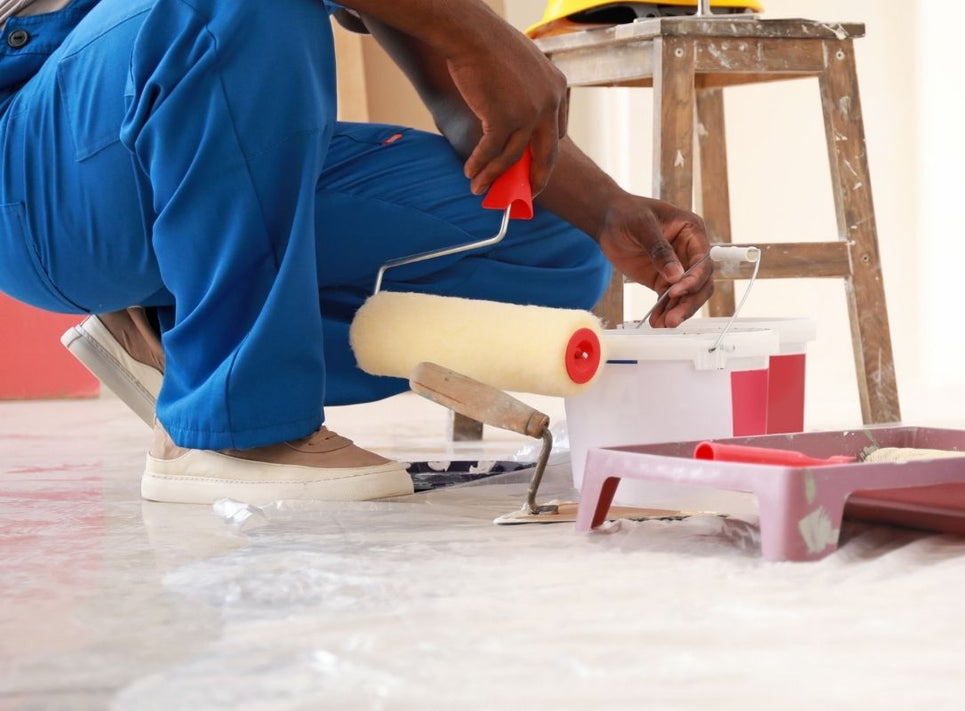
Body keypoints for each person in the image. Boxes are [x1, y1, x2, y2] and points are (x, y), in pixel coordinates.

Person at [0, 0, 714, 503]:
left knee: (553, 251)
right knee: (243, 7)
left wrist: (610, 208)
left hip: (171, 141)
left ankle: (167, 332)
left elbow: (460, 97)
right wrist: (482, 35)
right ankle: (233, 423)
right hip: (37, 162)